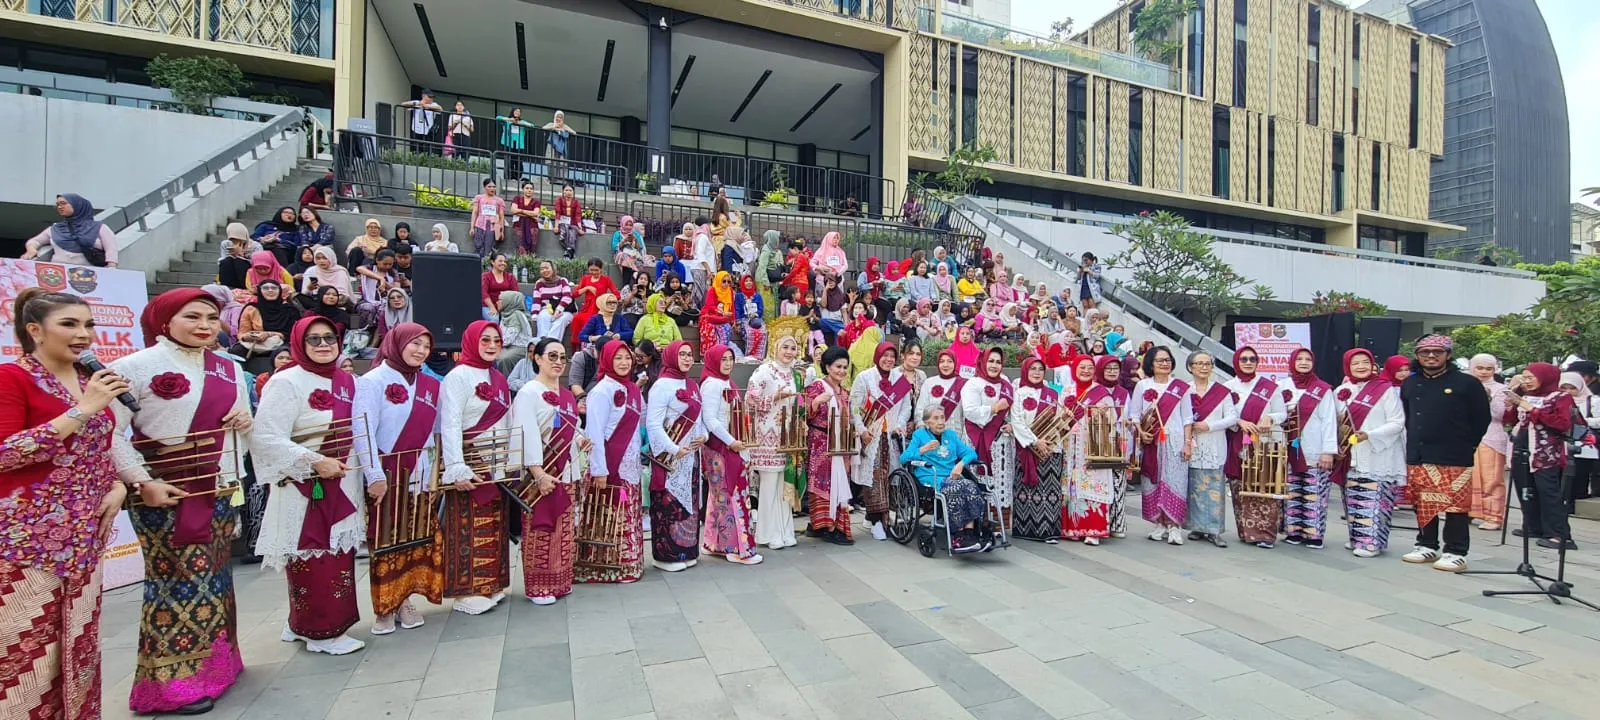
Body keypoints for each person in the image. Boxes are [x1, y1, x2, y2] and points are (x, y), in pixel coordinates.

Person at [0, 289, 128, 718]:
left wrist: (118, 485)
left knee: (78, 649)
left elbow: (97, 449)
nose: (84, 335)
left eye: (88, 324)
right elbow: (5, 453)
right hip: (25, 545)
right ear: (34, 331)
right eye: (70, 325)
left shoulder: (87, 378)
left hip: (85, 538)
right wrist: (84, 409)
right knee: (24, 659)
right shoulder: (11, 378)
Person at [251, 316, 367, 655]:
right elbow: (266, 437)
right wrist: (314, 461)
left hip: (341, 481)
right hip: (304, 486)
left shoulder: (347, 380)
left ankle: (300, 623)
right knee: (310, 557)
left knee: (337, 556)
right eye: (313, 339)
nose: (323, 345)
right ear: (299, 343)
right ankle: (320, 632)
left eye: (329, 337)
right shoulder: (285, 382)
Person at [352, 323, 443, 634]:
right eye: (414, 344)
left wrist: (433, 476)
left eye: (425, 346)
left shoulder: (430, 385)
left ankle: (405, 599)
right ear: (396, 343)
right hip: (387, 475)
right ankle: (384, 606)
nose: (420, 351)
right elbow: (362, 431)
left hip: (418, 474)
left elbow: (434, 435)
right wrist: (374, 474)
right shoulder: (372, 381)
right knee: (385, 540)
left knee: (413, 538)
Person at [436, 321, 514, 614]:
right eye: (485, 340)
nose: (492, 345)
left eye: (497, 340)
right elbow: (451, 423)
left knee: (493, 523)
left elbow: (506, 421)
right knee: (466, 526)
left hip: (495, 462)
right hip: (470, 460)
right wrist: (456, 465)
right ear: (471, 341)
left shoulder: (498, 377)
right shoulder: (457, 377)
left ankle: (490, 583)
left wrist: (506, 461)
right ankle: (465, 591)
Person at [1399, 335, 1491, 572]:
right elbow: (1408, 417)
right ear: (1417, 355)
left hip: (1455, 453)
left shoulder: (1467, 383)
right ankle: (1426, 544)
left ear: (1448, 355)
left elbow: (1481, 419)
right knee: (1423, 501)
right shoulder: (1410, 383)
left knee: (1455, 505)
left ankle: (1456, 551)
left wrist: (1467, 444)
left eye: (1437, 352)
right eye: (1425, 352)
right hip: (1419, 452)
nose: (1431, 356)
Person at [513, 338, 588, 603]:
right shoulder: (528, 392)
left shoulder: (567, 395)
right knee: (541, 529)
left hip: (565, 470)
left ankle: (560, 579)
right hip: (542, 472)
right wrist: (538, 472)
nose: (558, 362)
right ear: (538, 359)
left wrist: (581, 439)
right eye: (552, 356)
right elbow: (526, 433)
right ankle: (539, 586)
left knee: (563, 530)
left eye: (562, 357)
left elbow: (575, 426)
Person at [580, 340, 647, 582]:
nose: (623, 362)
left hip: (630, 463)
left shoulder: (633, 389)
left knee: (628, 514)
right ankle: (607, 567)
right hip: (610, 464)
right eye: (617, 358)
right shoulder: (601, 391)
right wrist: (599, 469)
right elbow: (594, 432)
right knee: (609, 516)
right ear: (607, 360)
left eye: (627, 358)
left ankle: (630, 565)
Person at [1335, 348, 1407, 558]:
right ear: (1348, 366)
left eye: (1365, 361)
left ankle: (1372, 542)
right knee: (1353, 497)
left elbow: (1397, 422)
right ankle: (1358, 537)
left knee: (1374, 497)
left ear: (1373, 364)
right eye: (1355, 363)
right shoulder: (1341, 391)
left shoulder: (1386, 390)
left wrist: (1371, 434)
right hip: (1350, 453)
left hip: (1379, 453)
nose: (1361, 366)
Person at [645, 341, 707, 571]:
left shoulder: (692, 384)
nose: (687, 358)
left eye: (690, 354)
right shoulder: (661, 386)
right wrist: (672, 448)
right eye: (682, 354)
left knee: (688, 504)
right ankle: (666, 556)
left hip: (690, 455)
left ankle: (688, 551)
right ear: (671, 356)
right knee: (668, 504)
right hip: (670, 456)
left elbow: (699, 420)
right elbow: (653, 423)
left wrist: (703, 436)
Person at [697, 345, 762, 564]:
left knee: (722, 496)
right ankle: (735, 547)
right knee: (730, 494)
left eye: (730, 359)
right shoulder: (711, 385)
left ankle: (715, 543)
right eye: (723, 359)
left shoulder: (728, 383)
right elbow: (710, 420)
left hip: (731, 444)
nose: (727, 363)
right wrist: (731, 442)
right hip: (720, 447)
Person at [1504, 364, 1578, 551]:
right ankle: (1533, 526)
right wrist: (1513, 405)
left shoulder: (1561, 397)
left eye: (1531, 378)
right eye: (1524, 377)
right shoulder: (1527, 396)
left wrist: (1530, 408)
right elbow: (1512, 420)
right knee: (1526, 489)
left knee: (1548, 492)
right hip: (1522, 448)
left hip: (1546, 453)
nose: (1526, 382)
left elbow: (1562, 423)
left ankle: (1558, 534)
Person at [1223, 346, 1289, 548]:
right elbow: (1225, 414)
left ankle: (1266, 534)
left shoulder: (1270, 387)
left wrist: (1270, 417)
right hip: (1239, 443)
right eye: (1244, 359)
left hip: (1266, 443)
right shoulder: (1228, 387)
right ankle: (1247, 532)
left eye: (1252, 359)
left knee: (1265, 485)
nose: (1248, 362)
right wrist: (1239, 422)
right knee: (1240, 486)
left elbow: (1282, 413)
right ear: (1236, 361)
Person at [1127, 345, 1193, 545]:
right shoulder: (1143, 386)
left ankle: (1175, 526)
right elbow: (1134, 414)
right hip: (1151, 442)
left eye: (1167, 360)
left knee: (1176, 482)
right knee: (1153, 481)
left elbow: (1187, 418)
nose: (1165, 364)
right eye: (1160, 360)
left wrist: (1187, 443)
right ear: (1151, 364)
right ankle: (1160, 524)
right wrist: (1140, 432)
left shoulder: (1181, 387)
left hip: (1175, 441)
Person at [849, 342, 912, 541]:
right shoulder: (865, 377)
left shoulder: (899, 379)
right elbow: (854, 408)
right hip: (872, 437)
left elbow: (906, 407)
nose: (888, 360)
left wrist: (900, 424)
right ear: (877, 356)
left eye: (892, 356)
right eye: (885, 355)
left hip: (891, 436)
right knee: (874, 478)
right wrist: (861, 429)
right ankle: (877, 520)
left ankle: (881, 515)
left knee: (891, 476)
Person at [901, 407, 988, 552]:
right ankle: (958, 535)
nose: (941, 422)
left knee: (970, 485)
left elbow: (971, 453)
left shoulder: (951, 435)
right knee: (956, 488)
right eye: (936, 418)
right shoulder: (919, 435)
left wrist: (960, 464)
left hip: (951, 475)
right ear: (927, 422)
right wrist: (924, 449)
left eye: (942, 417)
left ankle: (969, 533)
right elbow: (904, 458)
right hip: (930, 475)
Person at [747, 336, 803, 551]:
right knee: (770, 485)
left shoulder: (795, 374)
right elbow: (749, 400)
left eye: (793, 348)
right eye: (785, 347)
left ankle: (785, 530)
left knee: (784, 484)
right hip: (767, 434)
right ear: (775, 348)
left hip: (788, 434)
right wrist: (774, 398)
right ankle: (767, 533)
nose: (789, 352)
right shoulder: (764, 371)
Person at [1062, 356, 1126, 545]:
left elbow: (1113, 420)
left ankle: (1094, 530)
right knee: (1071, 486)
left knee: (1094, 484)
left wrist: (1100, 415)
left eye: (1090, 368)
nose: (1086, 371)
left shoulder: (1102, 393)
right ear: (1075, 368)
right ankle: (1072, 528)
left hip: (1092, 447)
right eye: (1082, 367)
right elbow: (1058, 417)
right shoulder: (1067, 391)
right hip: (1071, 447)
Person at [1278, 348, 1338, 549]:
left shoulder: (1322, 389)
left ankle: (1314, 534)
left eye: (1308, 359)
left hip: (1314, 448)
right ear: (1292, 361)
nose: (1303, 362)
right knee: (1292, 491)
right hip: (1288, 448)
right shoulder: (1281, 386)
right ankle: (1293, 531)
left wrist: (1328, 451)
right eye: (1299, 359)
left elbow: (1330, 421)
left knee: (1314, 492)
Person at [1180, 352, 1237, 548]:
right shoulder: (1184, 390)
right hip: (1192, 443)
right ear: (1190, 366)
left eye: (1208, 364)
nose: (1204, 367)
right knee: (1194, 486)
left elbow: (1232, 417)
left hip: (1214, 443)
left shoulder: (1222, 391)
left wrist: (1209, 425)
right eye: (1199, 363)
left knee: (1214, 487)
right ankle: (1196, 526)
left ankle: (1214, 529)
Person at [805, 347, 857, 545]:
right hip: (820, 442)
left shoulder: (844, 392)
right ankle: (824, 526)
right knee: (822, 485)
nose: (842, 371)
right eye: (838, 366)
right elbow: (801, 412)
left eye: (845, 367)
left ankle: (834, 524)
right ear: (827, 367)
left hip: (840, 444)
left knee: (838, 483)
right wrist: (816, 402)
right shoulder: (817, 387)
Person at [1009, 357, 1064, 543]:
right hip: (1027, 448)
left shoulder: (1053, 394)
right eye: (1032, 368)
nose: (1036, 372)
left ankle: (1048, 531)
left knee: (1049, 491)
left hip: (1049, 449)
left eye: (1040, 369)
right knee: (1027, 490)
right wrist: (1034, 441)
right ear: (1025, 370)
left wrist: (1046, 442)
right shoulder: (1018, 394)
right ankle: (1025, 528)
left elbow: (1059, 420)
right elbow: (1016, 421)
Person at [960, 347, 1015, 525]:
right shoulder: (973, 384)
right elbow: (969, 412)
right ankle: (977, 521)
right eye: (991, 361)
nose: (994, 365)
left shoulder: (1005, 382)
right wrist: (993, 408)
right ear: (983, 362)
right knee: (978, 478)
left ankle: (999, 521)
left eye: (998, 362)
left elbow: (1011, 408)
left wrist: (1010, 422)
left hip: (1000, 442)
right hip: (976, 439)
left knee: (999, 479)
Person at [1467, 354, 1511, 531]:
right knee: (1464, 477)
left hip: (1490, 437)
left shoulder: (1501, 389)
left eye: (1489, 368)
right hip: (1463, 437)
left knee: (1490, 478)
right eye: (1480, 368)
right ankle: (1466, 511)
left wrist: (1488, 399)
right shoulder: (1463, 385)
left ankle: (1493, 516)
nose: (1484, 372)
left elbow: (1500, 415)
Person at [22, 193, 118, 267]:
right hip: (59, 275)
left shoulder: (99, 227)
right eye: (57, 205)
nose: (59, 207)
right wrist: (31, 249)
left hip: (89, 276)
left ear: (77, 205)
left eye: (63, 203)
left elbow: (111, 249)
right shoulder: (55, 228)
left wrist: (111, 268)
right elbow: (35, 241)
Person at [1565, 370, 1600, 513]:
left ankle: (1576, 503)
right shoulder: (1556, 400)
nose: (1568, 391)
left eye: (1572, 388)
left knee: (1580, 474)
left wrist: (1581, 421)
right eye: (1564, 388)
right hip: (1562, 443)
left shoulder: (1593, 400)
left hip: (1584, 444)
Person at [570, 258, 620, 345]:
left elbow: (617, 295)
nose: (594, 272)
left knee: (590, 321)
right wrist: (587, 288)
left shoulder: (606, 279)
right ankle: (578, 345)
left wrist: (606, 300)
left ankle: (591, 344)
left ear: (601, 269)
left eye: (596, 270)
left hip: (600, 308)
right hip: (587, 308)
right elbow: (574, 294)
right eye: (591, 270)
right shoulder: (586, 278)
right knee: (576, 319)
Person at [496, 290, 536, 376]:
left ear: (508, 301)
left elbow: (508, 339)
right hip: (508, 346)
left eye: (500, 300)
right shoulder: (506, 314)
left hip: (520, 347)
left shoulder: (516, 315)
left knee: (503, 359)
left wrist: (496, 343)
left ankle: (506, 384)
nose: (497, 302)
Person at [470, 179, 506, 259]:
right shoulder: (479, 198)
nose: (492, 189)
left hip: (493, 226)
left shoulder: (499, 200)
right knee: (478, 245)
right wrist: (472, 227)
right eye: (489, 187)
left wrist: (502, 231)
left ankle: (486, 265)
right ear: (484, 187)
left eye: (494, 187)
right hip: (480, 224)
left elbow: (501, 216)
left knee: (489, 247)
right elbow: (475, 212)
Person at [735, 275, 766, 361]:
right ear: (742, 283)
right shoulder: (739, 296)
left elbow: (761, 309)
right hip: (743, 320)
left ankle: (758, 357)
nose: (749, 283)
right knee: (749, 332)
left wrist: (755, 314)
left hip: (756, 319)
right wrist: (737, 322)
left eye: (750, 281)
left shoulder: (758, 296)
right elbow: (737, 309)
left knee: (762, 331)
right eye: (746, 281)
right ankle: (749, 355)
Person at [480, 253, 518, 321]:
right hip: (488, 306)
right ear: (492, 262)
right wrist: (492, 307)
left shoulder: (510, 277)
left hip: (506, 307)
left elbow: (515, 294)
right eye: (500, 261)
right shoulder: (486, 276)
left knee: (516, 318)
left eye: (504, 261)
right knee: (494, 319)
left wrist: (505, 305)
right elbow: (483, 293)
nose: (503, 263)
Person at [542, 110, 578, 183]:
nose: (559, 119)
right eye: (557, 117)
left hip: (562, 148)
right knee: (551, 161)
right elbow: (543, 128)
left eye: (561, 117)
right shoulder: (551, 124)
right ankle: (552, 179)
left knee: (562, 163)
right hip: (552, 146)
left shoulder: (564, 126)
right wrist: (554, 127)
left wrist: (562, 129)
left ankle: (561, 180)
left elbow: (574, 133)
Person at [553, 184, 584, 259]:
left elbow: (578, 216)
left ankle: (568, 252)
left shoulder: (576, 202)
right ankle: (570, 251)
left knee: (572, 233)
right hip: (562, 223)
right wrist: (556, 226)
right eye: (566, 190)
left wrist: (580, 228)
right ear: (563, 192)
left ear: (573, 192)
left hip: (573, 224)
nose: (568, 192)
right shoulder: (559, 200)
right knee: (564, 232)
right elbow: (558, 214)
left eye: (570, 190)